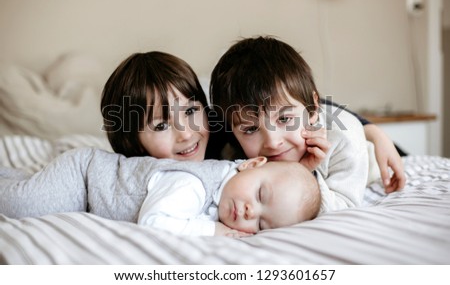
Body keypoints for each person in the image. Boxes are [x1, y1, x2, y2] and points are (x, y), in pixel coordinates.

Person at [209, 36, 406, 211]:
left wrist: (305, 174)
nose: (272, 142)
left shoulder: (343, 140)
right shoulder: (234, 143)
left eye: (285, 119)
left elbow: (344, 207)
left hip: (368, 155)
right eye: (251, 129)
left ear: (312, 108)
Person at [0, 147, 320, 237]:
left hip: (87, 186)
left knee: (28, 189)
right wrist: (213, 230)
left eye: (262, 225)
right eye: (261, 197)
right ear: (251, 164)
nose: (251, 212)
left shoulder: (229, 193)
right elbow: (154, 222)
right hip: (84, 178)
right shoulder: (193, 184)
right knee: (23, 204)